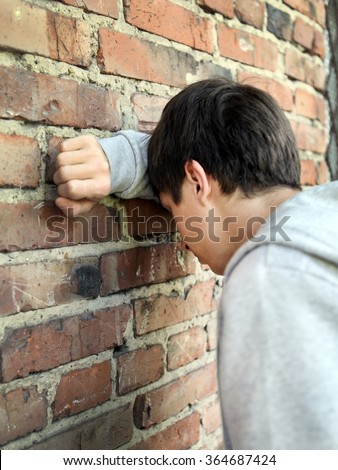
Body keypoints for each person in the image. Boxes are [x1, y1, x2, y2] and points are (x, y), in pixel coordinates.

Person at [54, 78, 338, 449]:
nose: (183, 242)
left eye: (172, 209)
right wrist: (126, 161)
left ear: (196, 180)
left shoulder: (271, 273)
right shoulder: (322, 216)